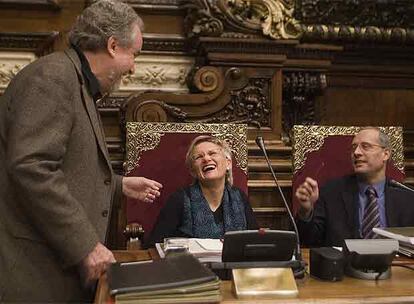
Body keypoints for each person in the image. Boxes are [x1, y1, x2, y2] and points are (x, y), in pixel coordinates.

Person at [0, 1, 162, 302]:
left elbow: (67, 166)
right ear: (113, 45)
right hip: (35, 270)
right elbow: (31, 166)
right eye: (134, 55)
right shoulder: (54, 78)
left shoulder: (74, 80)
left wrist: (118, 184)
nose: (134, 67)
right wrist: (86, 245)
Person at [295, 127, 414, 247]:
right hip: (344, 264)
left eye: (366, 146)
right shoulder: (331, 192)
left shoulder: (407, 198)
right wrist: (306, 211)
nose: (356, 153)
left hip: (396, 265)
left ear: (385, 154)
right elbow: (309, 240)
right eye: (353, 148)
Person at [145, 135, 258, 248]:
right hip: (190, 265)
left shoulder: (239, 197)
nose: (206, 159)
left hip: (234, 264)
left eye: (212, 153)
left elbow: (255, 242)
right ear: (193, 171)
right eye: (198, 157)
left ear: (228, 163)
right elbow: (155, 246)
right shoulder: (179, 199)